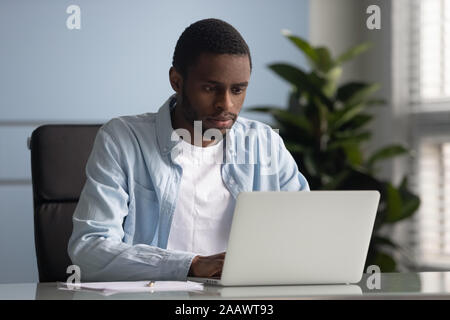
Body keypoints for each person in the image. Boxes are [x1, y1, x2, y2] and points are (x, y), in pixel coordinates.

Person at [68, 18, 309, 282]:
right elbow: (89, 249)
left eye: (238, 90)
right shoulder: (123, 140)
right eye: (210, 88)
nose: (225, 104)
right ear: (177, 81)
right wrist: (191, 265)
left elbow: (305, 234)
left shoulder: (264, 142)